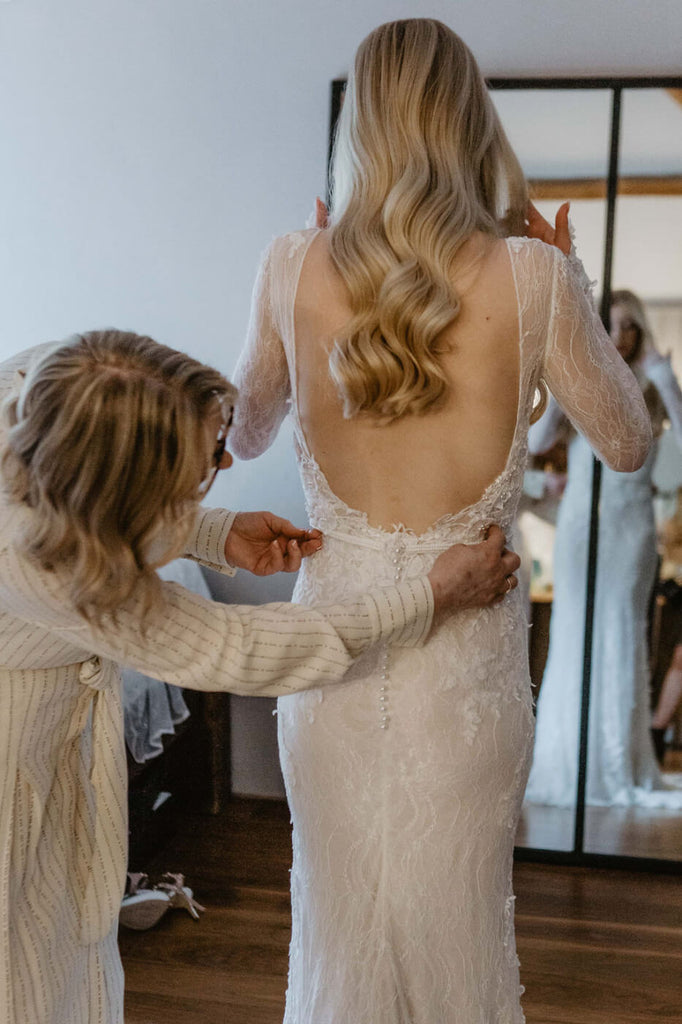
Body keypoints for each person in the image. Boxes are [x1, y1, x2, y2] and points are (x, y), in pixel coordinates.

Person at [230, 18, 652, 1023]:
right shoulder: (533, 277)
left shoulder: (291, 261)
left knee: (336, 920)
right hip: (466, 670)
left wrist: (295, 295)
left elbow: (243, 434)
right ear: (469, 124)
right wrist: (579, 287)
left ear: (362, 129)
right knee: (458, 932)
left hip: (328, 661)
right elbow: (631, 443)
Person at [0, 330, 522, 1024]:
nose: (216, 470)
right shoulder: (46, 562)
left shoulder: (40, 383)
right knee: (27, 974)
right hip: (13, 762)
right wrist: (426, 597)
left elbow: (89, 492)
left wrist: (209, 533)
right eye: (201, 469)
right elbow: (237, 647)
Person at [526, 289, 682, 808]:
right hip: (577, 527)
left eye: (628, 326)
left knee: (621, 633)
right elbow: (532, 444)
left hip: (631, 526)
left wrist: (666, 381)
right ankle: (563, 760)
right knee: (572, 633)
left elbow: (677, 462)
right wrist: (561, 367)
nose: (619, 335)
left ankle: (621, 761)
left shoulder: (654, 390)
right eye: (609, 325)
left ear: (638, 332)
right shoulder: (583, 383)